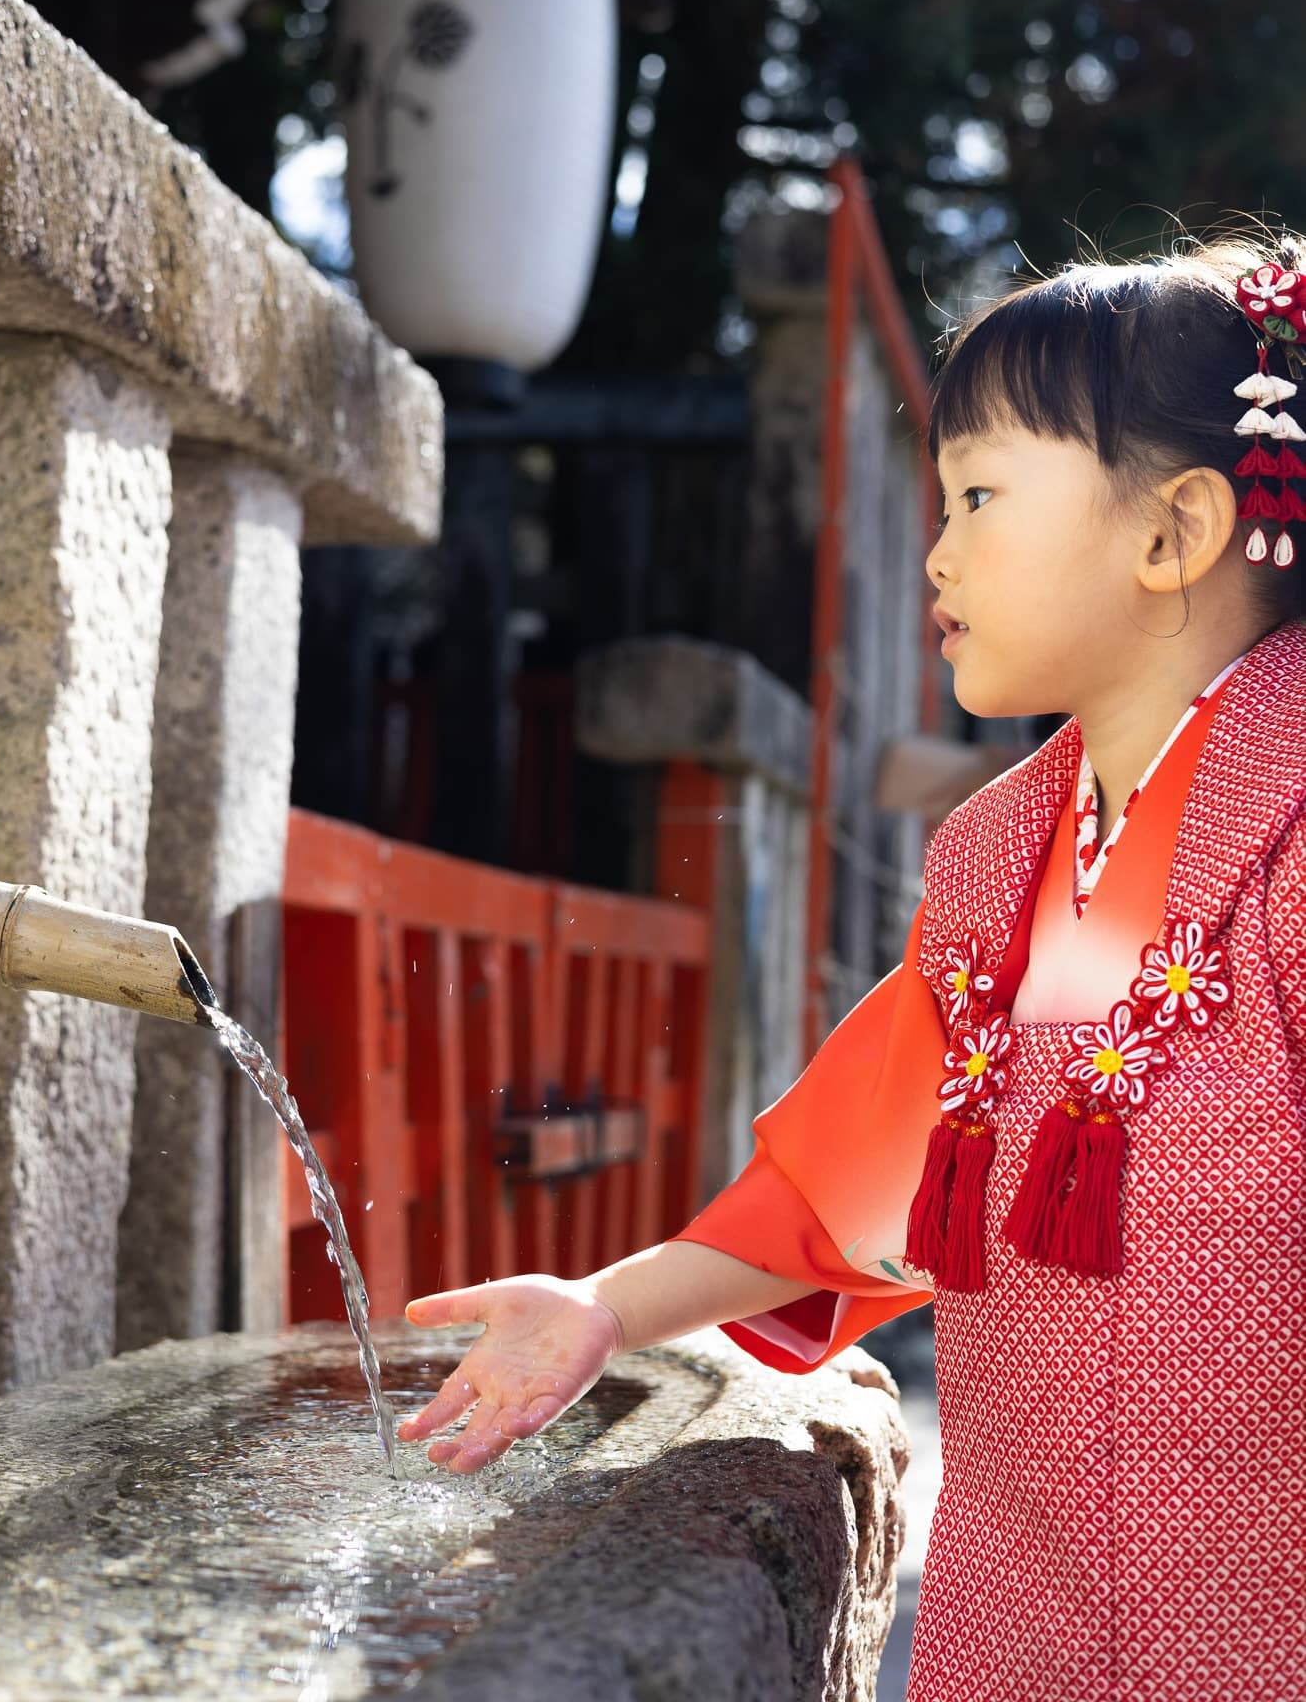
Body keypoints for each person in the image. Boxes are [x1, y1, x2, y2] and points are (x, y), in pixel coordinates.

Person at [397, 231, 1306, 1702]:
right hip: (1018, 1626)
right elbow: (851, 1185)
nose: (936, 552)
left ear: (1172, 531)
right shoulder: (993, 861)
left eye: (980, 494)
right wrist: (603, 1310)